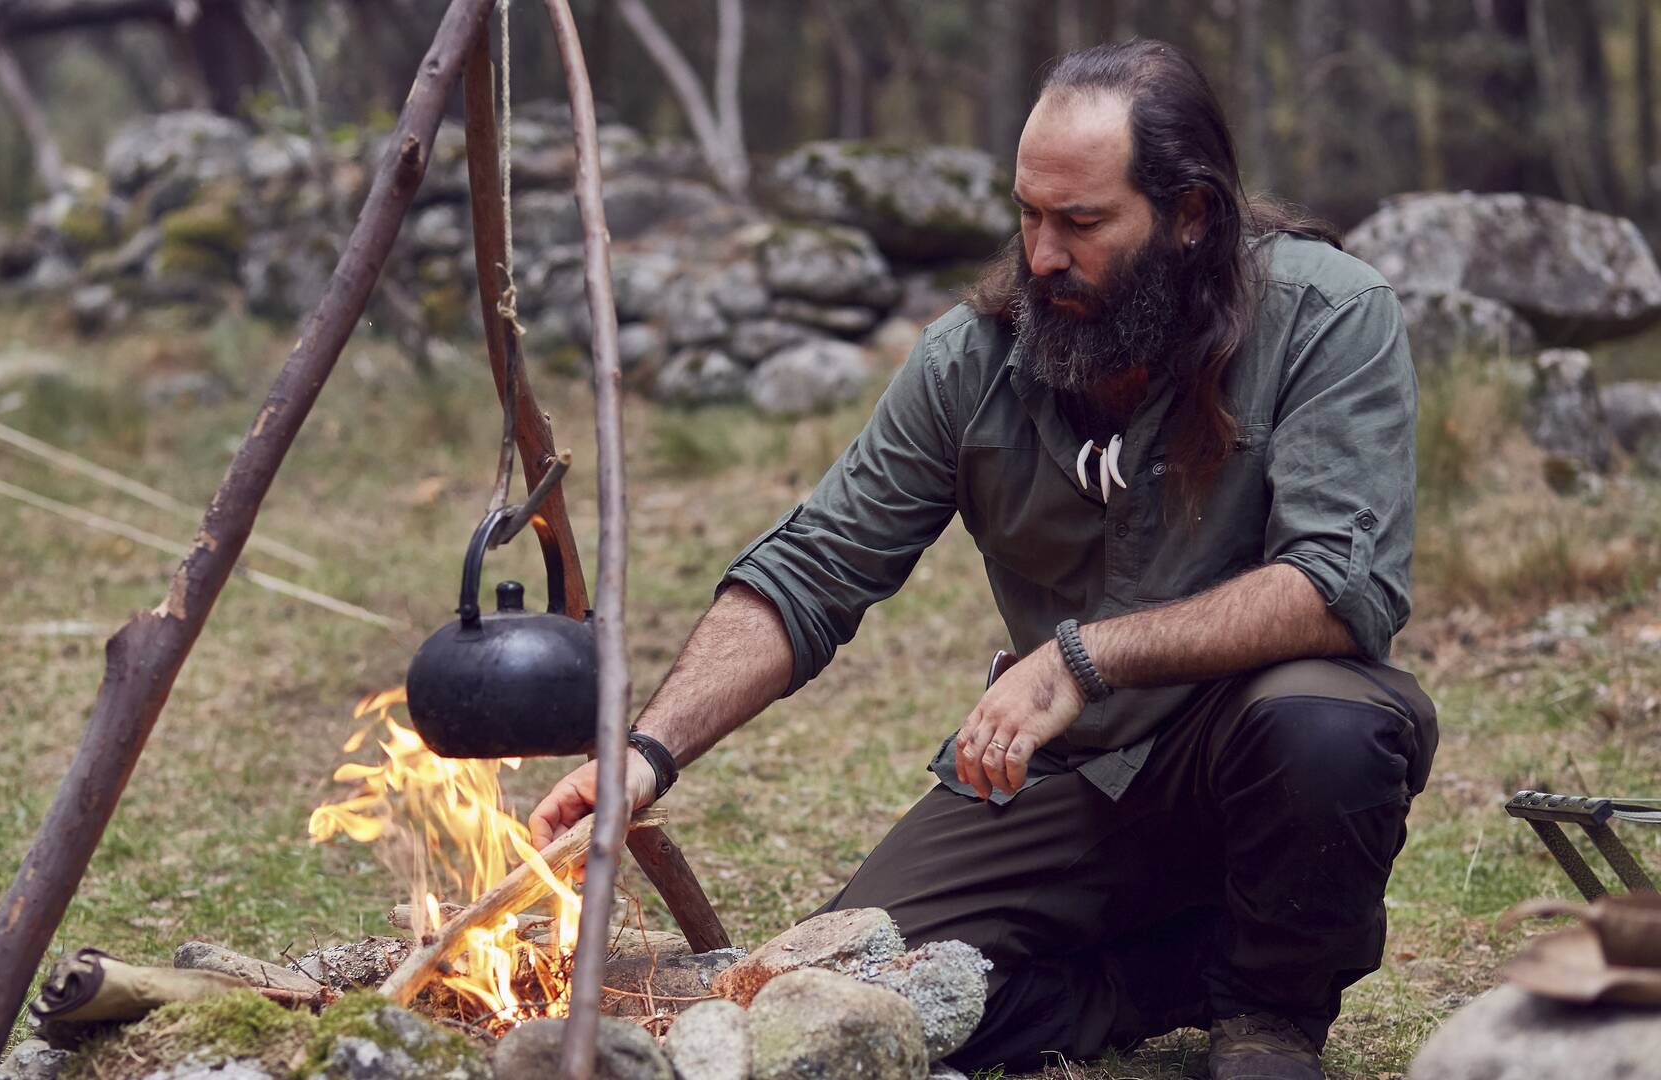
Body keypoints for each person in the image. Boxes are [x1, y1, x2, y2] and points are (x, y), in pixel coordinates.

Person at [529, 39, 1435, 1080]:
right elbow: (814, 568)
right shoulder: (974, 356)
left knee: (1330, 726)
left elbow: (1339, 585)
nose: (1043, 255)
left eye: (1082, 223)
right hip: (1072, 776)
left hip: (1250, 739)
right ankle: (1159, 980)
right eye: (1028, 214)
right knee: (855, 1002)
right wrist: (646, 756)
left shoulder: (1328, 314)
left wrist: (1083, 657)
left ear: (1190, 216)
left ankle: (1268, 1015)